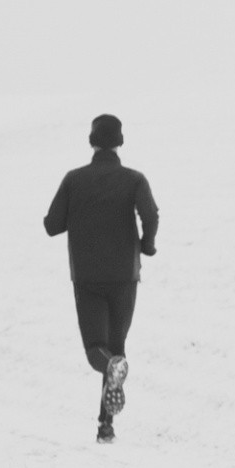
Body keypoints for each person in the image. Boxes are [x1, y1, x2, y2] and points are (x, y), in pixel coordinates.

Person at [43, 113, 159, 443]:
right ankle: (105, 427)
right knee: (116, 349)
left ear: (92, 142)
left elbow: (53, 225)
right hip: (125, 275)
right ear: (119, 143)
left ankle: (106, 421)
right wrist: (146, 246)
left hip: (88, 277)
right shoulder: (134, 179)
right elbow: (150, 214)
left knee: (98, 349)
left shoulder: (74, 179)